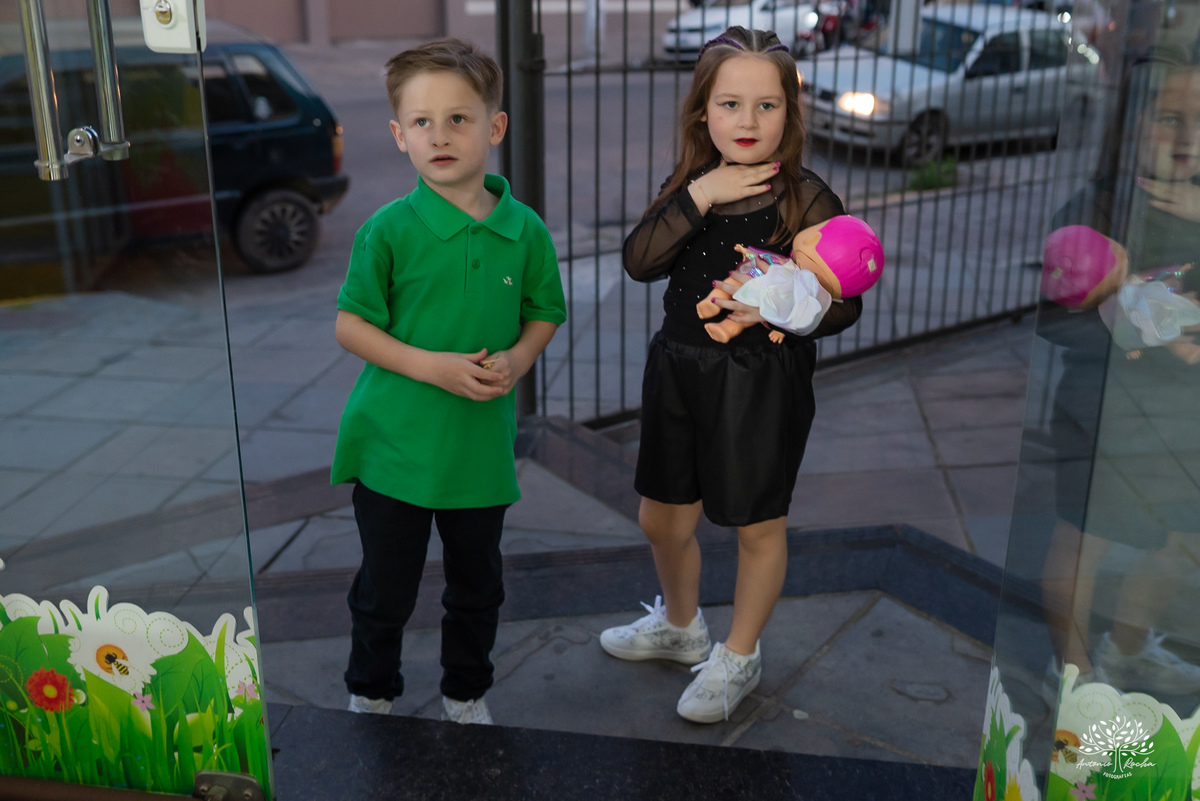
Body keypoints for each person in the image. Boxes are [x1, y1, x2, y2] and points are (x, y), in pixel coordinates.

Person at [600, 26, 864, 723]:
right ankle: (684, 627)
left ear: (789, 113)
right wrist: (703, 192)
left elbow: (845, 305)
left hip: (758, 380)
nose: (747, 122)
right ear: (703, 113)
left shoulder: (805, 196)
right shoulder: (693, 185)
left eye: (767, 106)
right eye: (730, 104)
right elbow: (639, 260)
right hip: (678, 369)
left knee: (756, 526)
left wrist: (782, 309)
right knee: (661, 516)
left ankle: (740, 655)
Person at [330, 39, 566, 725]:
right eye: (423, 122)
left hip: (476, 452)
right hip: (392, 449)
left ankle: (466, 691)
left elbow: (544, 311)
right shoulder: (386, 233)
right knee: (384, 589)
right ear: (400, 136)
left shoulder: (526, 234)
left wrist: (520, 360)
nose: (441, 135)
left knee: (477, 586)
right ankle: (370, 689)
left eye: (459, 119)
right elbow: (352, 326)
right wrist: (431, 365)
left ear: (493, 128)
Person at [1037, 54, 1200, 698]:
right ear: (1135, 122)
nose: (1187, 137)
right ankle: (1073, 677)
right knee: (1084, 544)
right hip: (1107, 411)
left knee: (1185, 540)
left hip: (1184, 415)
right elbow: (1053, 318)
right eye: (1169, 117)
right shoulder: (1099, 207)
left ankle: (1129, 648)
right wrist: (1132, 320)